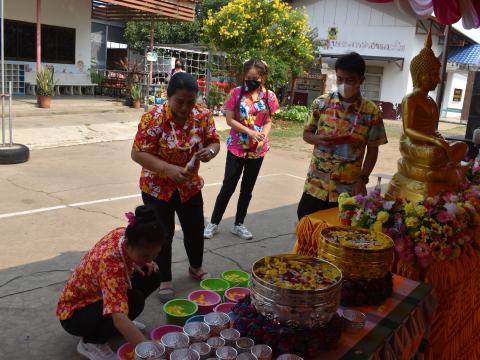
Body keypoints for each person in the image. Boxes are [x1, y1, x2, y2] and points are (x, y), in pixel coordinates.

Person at [131, 72, 220, 303]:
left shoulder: (202, 115)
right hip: (157, 188)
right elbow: (138, 153)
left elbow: (214, 140)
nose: (185, 107)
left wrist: (210, 151)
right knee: (163, 234)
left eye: (191, 102)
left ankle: (196, 267)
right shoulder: (154, 118)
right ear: (168, 97)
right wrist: (168, 169)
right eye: (179, 101)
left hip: (189, 186)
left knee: (194, 228)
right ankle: (164, 279)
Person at [56, 205, 165, 360]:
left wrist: (138, 262)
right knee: (133, 300)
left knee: (152, 274)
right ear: (127, 244)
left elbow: (130, 257)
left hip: (99, 294)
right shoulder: (109, 264)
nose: (151, 259)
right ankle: (91, 342)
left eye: (155, 254)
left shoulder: (124, 234)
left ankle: (113, 329)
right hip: (75, 315)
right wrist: (150, 352)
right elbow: (118, 316)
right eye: (144, 256)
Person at [297, 52, 388, 220]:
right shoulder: (321, 103)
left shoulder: (371, 112)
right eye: (340, 79)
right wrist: (319, 139)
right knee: (306, 233)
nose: (343, 84)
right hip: (316, 186)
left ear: (361, 80)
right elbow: (306, 135)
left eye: (350, 80)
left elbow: (373, 151)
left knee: (338, 238)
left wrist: (363, 179)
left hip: (347, 191)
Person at [204, 59, 279, 240]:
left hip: (257, 150)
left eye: (256, 78)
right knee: (228, 186)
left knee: (247, 189)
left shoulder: (269, 96)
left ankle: (239, 224)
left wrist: (263, 137)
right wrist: (249, 132)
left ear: (263, 77)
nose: (251, 81)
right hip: (237, 147)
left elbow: (268, 121)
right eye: (248, 77)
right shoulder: (236, 94)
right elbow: (229, 120)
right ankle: (213, 222)